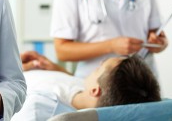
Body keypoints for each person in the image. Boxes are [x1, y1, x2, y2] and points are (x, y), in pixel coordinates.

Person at [12, 51, 161, 120]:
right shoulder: (86, 90)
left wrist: (7, 68)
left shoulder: (40, 107)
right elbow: (76, 83)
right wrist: (56, 70)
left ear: (96, 90)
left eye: (100, 67)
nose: (98, 64)